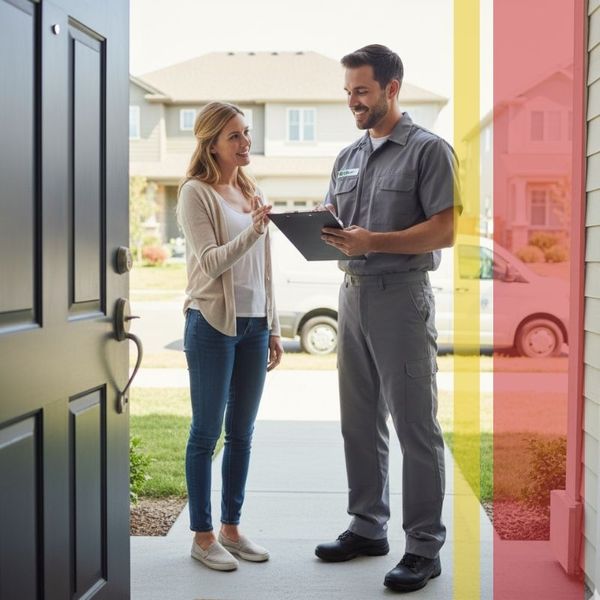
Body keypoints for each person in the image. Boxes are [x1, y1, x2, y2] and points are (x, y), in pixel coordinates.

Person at [314, 45, 461, 593]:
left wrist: (373, 241)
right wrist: (317, 229)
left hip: (401, 298)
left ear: (392, 88)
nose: (353, 100)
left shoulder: (428, 152)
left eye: (362, 91)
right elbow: (339, 222)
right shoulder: (347, 156)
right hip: (350, 295)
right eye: (348, 91)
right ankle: (366, 526)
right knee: (359, 421)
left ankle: (423, 547)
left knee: (415, 427)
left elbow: (445, 229)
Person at [176, 101, 283, 572]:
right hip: (212, 325)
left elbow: (264, 266)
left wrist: (274, 326)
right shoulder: (194, 193)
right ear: (212, 143)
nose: (245, 143)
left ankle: (231, 529)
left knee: (242, 434)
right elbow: (210, 263)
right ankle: (202, 536)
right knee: (206, 434)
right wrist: (255, 230)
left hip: (255, 326)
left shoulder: (249, 188)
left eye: (247, 134)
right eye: (235, 136)